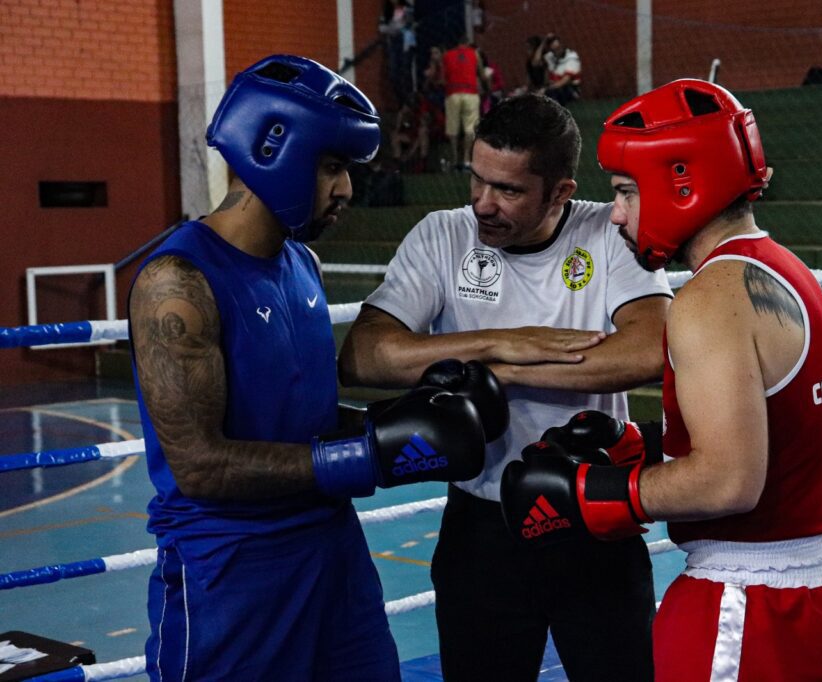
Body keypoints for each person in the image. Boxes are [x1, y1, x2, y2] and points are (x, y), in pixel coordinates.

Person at [128, 54, 495, 681]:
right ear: (273, 147)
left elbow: (301, 412)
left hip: (332, 555)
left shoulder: (303, 264)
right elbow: (199, 464)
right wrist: (371, 455)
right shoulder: (177, 282)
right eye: (332, 167)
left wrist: (407, 421)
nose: (346, 189)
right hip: (232, 572)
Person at [500, 79, 822, 681]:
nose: (616, 213)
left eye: (625, 191)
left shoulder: (707, 298)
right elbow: (773, 422)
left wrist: (597, 492)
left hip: (750, 596)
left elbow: (728, 483)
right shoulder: (784, 268)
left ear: (681, 181)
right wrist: (646, 443)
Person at [340, 93, 672, 681]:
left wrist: (499, 371)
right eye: (477, 179)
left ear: (560, 192)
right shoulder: (442, 236)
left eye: (509, 191)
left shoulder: (605, 231)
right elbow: (366, 355)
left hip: (592, 518)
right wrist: (501, 343)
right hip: (481, 528)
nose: (483, 204)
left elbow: (651, 348)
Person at [442, 36, 484, 171]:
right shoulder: (474, 54)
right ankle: (466, 160)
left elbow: (443, 78)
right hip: (470, 92)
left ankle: (455, 161)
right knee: (470, 128)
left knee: (453, 128)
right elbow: (481, 73)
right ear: (467, 43)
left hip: (453, 93)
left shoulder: (447, 55)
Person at [544, 34, 582, 105]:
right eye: (554, 49)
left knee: (555, 91)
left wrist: (547, 89)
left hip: (570, 89)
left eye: (558, 47)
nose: (557, 50)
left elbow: (565, 80)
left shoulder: (571, 57)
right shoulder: (550, 56)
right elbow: (535, 62)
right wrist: (543, 42)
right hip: (553, 86)